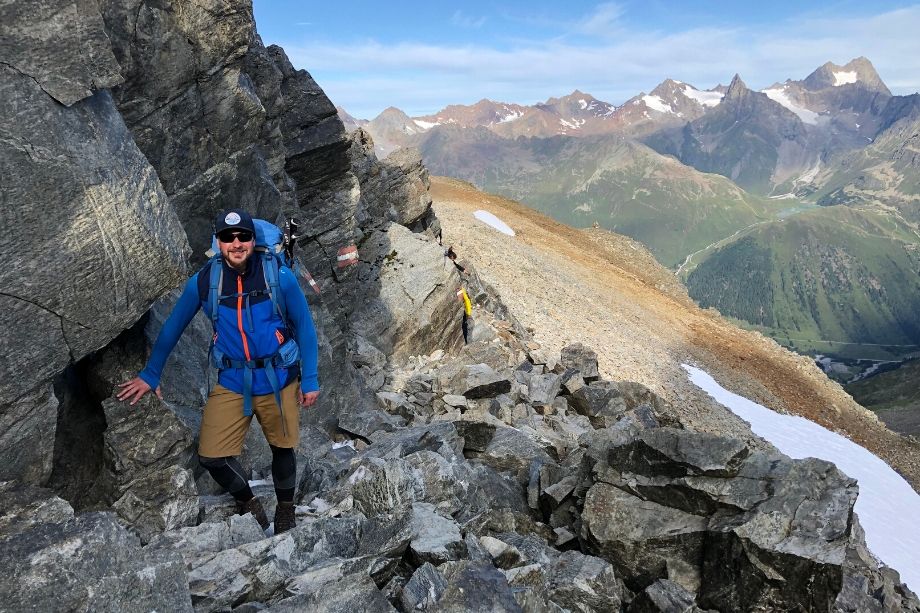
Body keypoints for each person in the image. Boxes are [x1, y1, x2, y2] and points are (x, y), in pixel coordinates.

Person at [117, 209, 320, 535]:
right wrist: (151, 374)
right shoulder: (205, 281)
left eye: (243, 236)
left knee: (282, 448)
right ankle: (250, 505)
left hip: (278, 375)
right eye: (228, 237)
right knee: (212, 456)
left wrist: (309, 379)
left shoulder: (278, 276)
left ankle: (285, 511)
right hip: (233, 380)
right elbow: (172, 327)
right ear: (219, 241)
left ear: (253, 240)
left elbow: (305, 329)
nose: (236, 243)